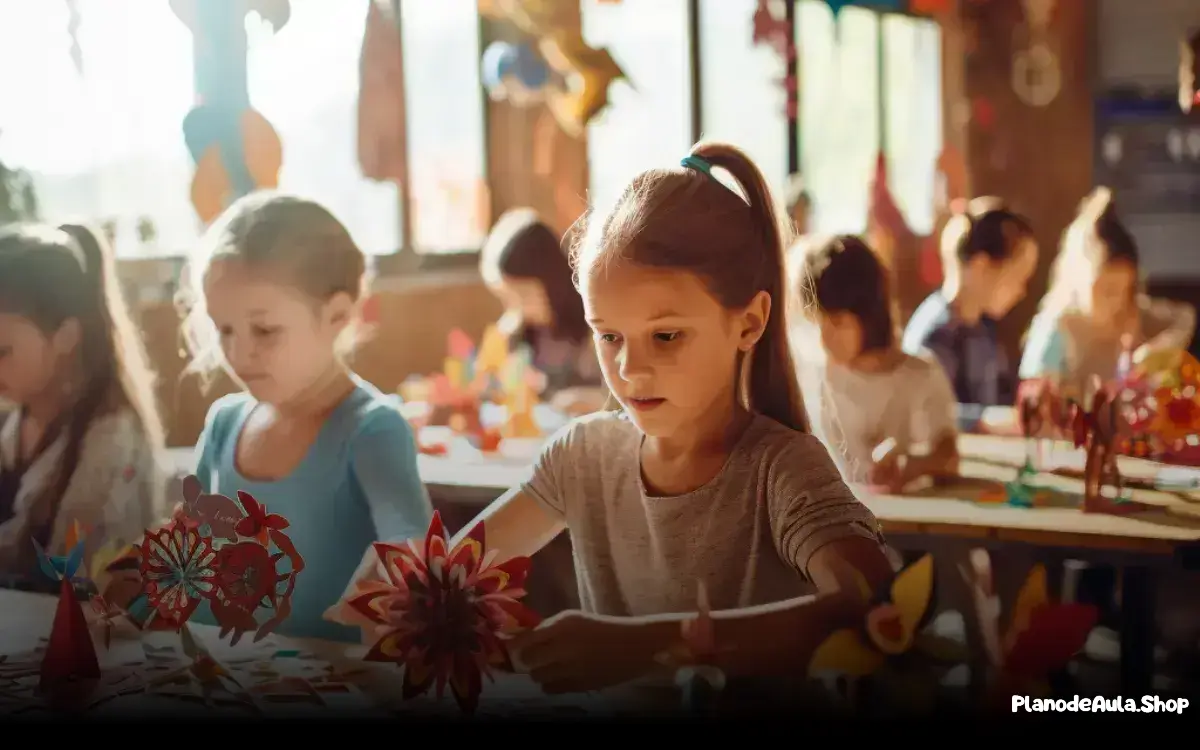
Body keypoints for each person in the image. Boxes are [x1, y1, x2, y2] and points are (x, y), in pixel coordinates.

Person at [332, 143, 893, 693]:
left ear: (749, 322)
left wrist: (647, 646)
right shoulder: (583, 455)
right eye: (608, 336)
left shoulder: (781, 467)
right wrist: (402, 594)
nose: (630, 368)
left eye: (666, 336)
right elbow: (456, 576)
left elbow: (874, 609)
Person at [174, 192, 433, 642]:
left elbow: (411, 551)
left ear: (338, 315)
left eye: (265, 330)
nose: (238, 352)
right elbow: (189, 555)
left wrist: (402, 576)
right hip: (221, 678)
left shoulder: (373, 430)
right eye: (224, 329)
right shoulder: (222, 424)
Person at [0, 223, 167, 591]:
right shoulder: (17, 415)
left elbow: (74, 571)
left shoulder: (110, 437)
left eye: (3, 352)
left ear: (66, 337)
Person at [790, 235, 958, 491]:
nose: (824, 339)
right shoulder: (817, 380)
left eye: (837, 322)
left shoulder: (920, 375)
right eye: (818, 322)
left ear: (869, 315)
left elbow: (948, 458)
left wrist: (913, 465)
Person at [1019, 187, 1196, 398]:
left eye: (1124, 289)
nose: (1116, 300)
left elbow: (1185, 316)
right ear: (1080, 280)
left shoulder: (1131, 311)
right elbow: (1032, 398)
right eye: (1107, 289)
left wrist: (1157, 351)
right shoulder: (1057, 327)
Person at [902, 198, 1038, 421]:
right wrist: (990, 422)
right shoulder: (936, 336)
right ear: (981, 267)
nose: (1021, 291)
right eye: (1017, 277)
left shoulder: (984, 332)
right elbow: (929, 413)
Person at [480, 208, 607, 416]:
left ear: (551, 283)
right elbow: (490, 391)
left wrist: (591, 399)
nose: (516, 307)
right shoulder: (516, 333)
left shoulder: (593, 327)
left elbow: (621, 396)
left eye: (524, 295)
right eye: (509, 298)